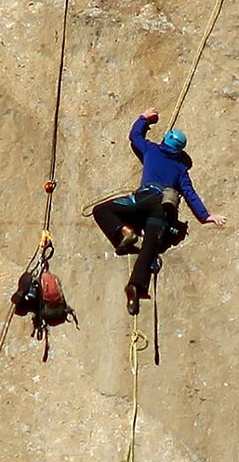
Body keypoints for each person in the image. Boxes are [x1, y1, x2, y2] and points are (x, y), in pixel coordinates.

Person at [93, 107, 226, 315]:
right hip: (160, 207)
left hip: (141, 198)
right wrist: (206, 216)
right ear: (180, 151)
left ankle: (122, 232)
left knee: (101, 210)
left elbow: (134, 136)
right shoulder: (180, 169)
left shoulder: (151, 149)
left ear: (165, 141)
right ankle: (135, 287)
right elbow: (190, 193)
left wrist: (143, 118)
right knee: (149, 248)